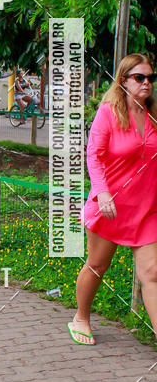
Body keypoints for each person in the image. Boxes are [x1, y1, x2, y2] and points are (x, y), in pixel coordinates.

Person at [70, 53, 157, 345]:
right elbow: (93, 156)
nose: (147, 83)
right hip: (112, 206)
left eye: (150, 78)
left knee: (152, 273)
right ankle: (81, 316)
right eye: (139, 78)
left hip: (147, 209)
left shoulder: (155, 114)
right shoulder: (109, 112)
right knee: (97, 265)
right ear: (123, 81)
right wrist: (102, 191)